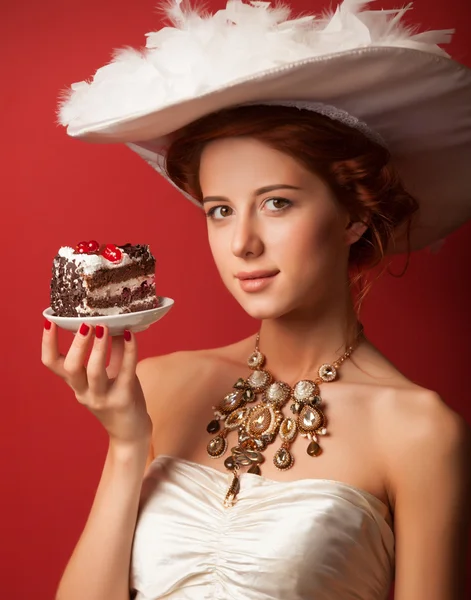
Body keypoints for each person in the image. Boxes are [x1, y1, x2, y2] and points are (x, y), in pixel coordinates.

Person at [43, 1, 471, 599]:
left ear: (352, 216)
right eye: (220, 210)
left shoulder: (420, 431)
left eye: (277, 203)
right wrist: (125, 445)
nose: (242, 243)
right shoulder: (160, 386)